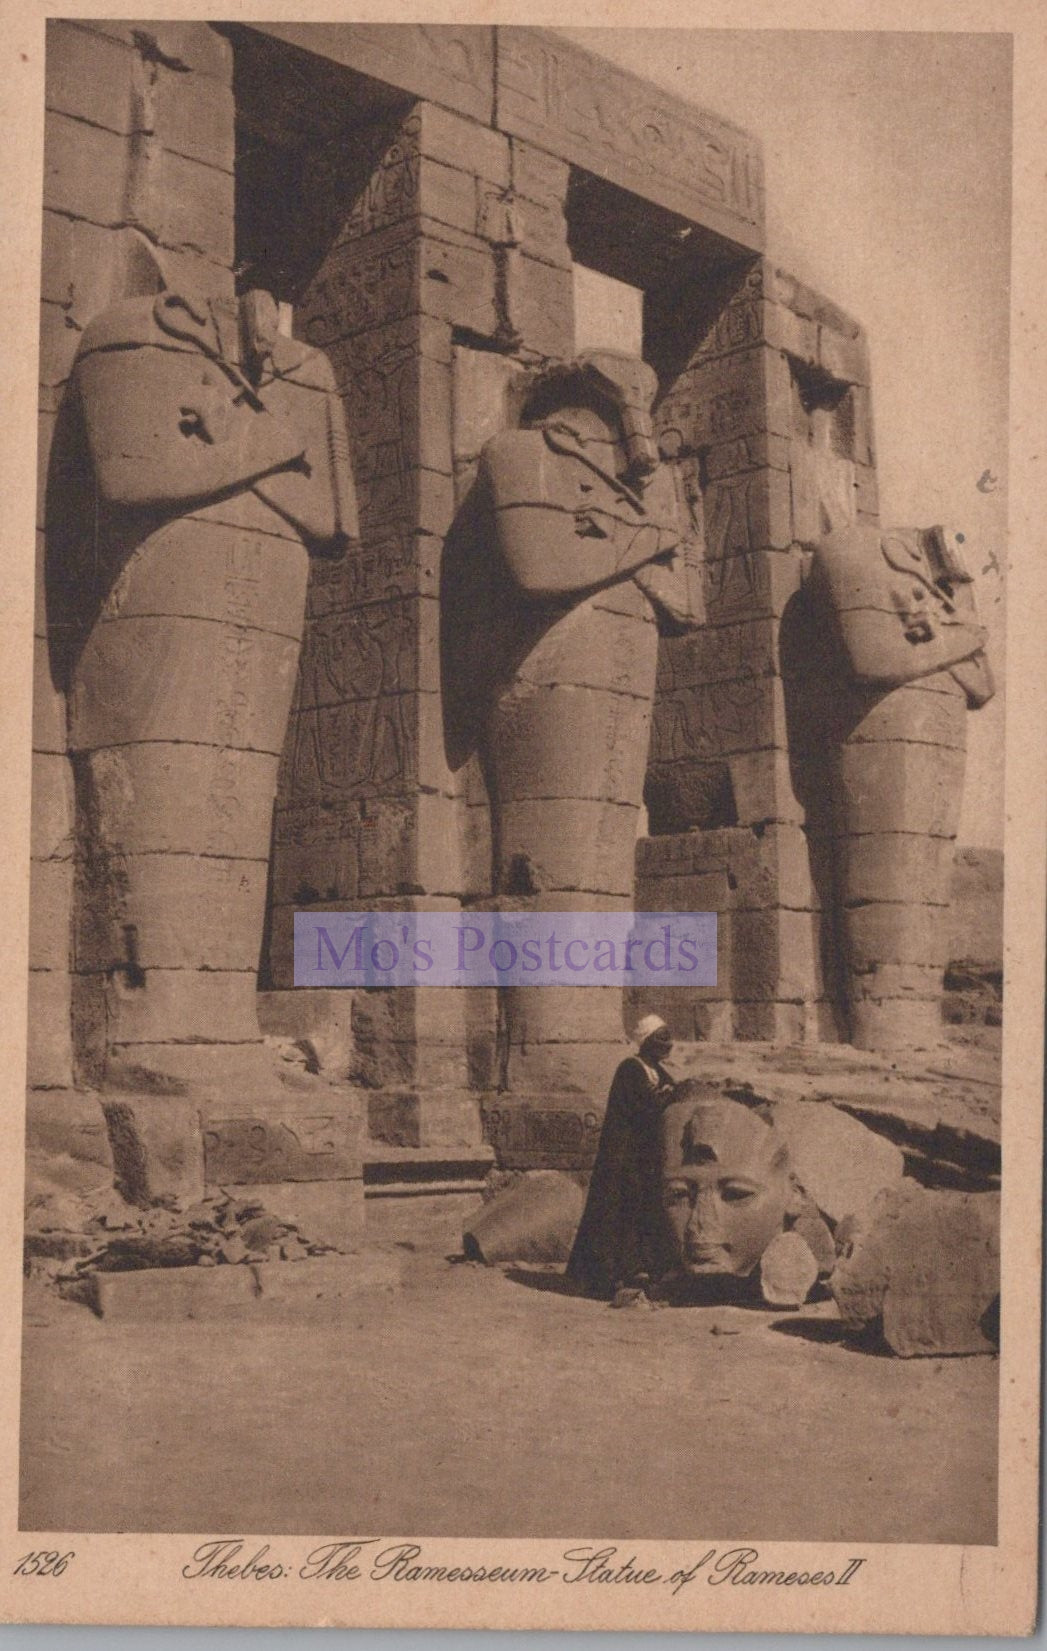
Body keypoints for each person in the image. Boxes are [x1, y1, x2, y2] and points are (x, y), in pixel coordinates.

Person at [565, 1015, 677, 1298]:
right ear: (646, 1042)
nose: (668, 1044)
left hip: (643, 1159)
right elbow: (646, 1105)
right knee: (615, 1212)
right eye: (661, 1039)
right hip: (623, 1157)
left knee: (641, 1212)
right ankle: (602, 1277)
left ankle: (636, 1269)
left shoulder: (658, 1072)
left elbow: (667, 1095)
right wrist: (665, 1096)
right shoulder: (630, 1069)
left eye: (668, 1038)